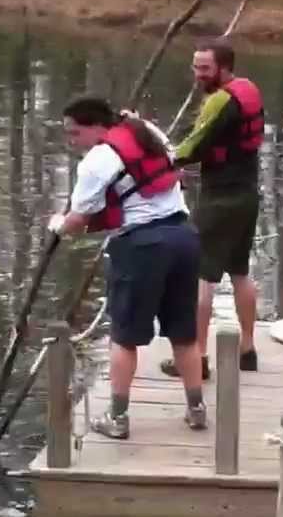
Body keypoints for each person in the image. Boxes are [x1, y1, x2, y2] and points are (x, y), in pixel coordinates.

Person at [49, 97, 206, 439]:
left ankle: (117, 418)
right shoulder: (144, 130)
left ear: (95, 127)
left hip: (142, 247)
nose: (72, 141)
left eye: (75, 133)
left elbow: (80, 217)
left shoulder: (96, 161)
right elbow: (170, 155)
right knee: (184, 333)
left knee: (124, 336)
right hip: (184, 238)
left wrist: (58, 226)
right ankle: (197, 410)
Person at [158, 38, 264, 380]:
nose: (198, 74)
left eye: (205, 68)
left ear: (224, 67)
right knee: (240, 272)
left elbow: (195, 143)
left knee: (200, 280)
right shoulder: (248, 90)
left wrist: (168, 159)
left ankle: (197, 358)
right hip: (247, 194)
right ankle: (248, 350)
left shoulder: (221, 101)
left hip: (220, 200)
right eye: (195, 67)